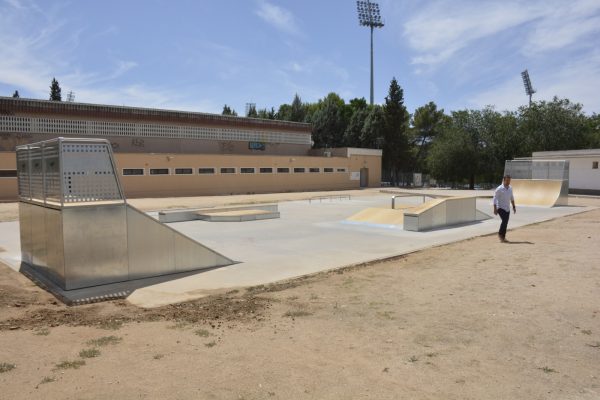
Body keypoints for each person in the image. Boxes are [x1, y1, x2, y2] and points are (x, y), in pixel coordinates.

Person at [493, 175, 516, 242]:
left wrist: (514, 207)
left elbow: (512, 198)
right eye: (507, 180)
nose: (508, 182)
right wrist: (495, 208)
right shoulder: (499, 188)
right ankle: (500, 234)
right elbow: (495, 198)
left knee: (506, 222)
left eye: (509, 180)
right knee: (504, 221)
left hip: (507, 208)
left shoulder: (510, 188)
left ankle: (503, 237)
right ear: (504, 180)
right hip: (500, 207)